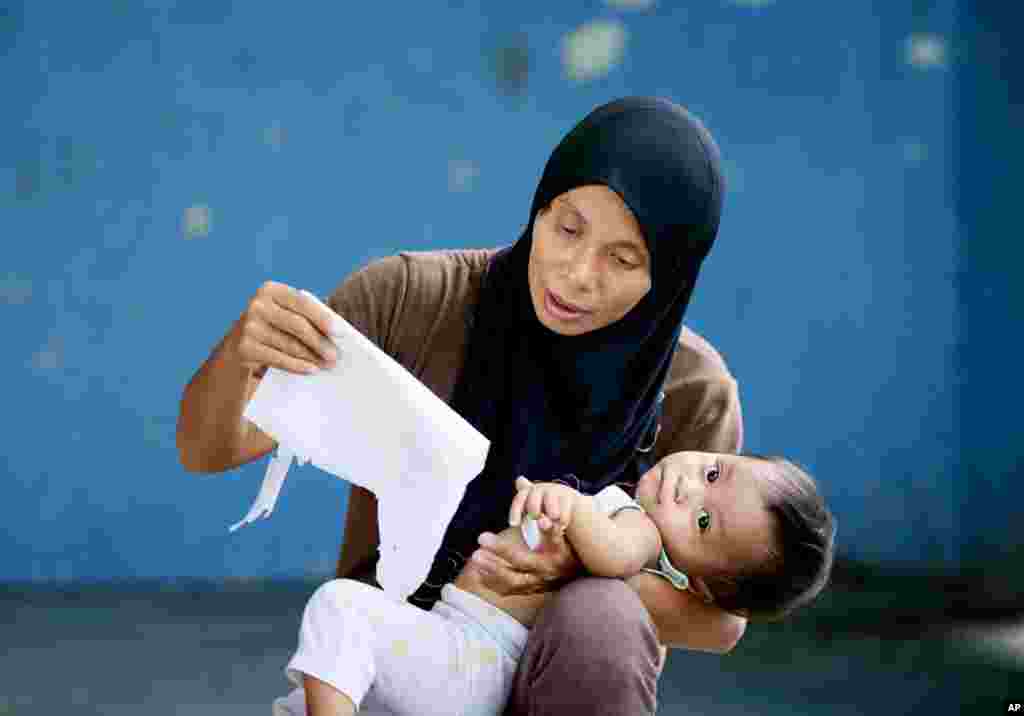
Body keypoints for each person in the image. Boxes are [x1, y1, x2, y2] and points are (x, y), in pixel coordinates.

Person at [177, 97, 756, 715]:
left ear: (669, 278)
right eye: (566, 228)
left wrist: (576, 565)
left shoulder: (692, 391)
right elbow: (210, 450)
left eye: (622, 259)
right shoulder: (412, 299)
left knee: (603, 617)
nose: (577, 273)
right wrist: (243, 350)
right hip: (398, 663)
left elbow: (721, 622)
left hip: (568, 685)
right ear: (539, 206)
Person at [272, 452, 835, 716]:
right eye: (713, 472)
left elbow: (614, 554)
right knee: (324, 683)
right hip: (456, 654)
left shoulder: (639, 531)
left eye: (705, 522)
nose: (689, 490)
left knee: (341, 608)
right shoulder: (653, 536)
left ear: (704, 582)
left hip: (474, 661)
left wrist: (570, 507)